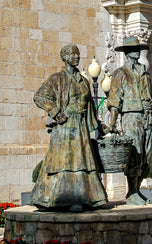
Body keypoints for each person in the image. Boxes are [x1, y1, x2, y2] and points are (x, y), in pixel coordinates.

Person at [30, 44, 108, 211]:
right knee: (65, 162)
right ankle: (60, 199)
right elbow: (39, 96)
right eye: (72, 54)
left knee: (81, 161)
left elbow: (90, 106)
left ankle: (87, 198)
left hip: (80, 126)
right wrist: (56, 112)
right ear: (64, 57)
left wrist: (99, 126)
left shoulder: (84, 80)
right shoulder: (57, 78)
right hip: (65, 126)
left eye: (78, 54)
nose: (76, 57)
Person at [106, 36, 152, 204]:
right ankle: (132, 192)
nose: (137, 52)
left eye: (138, 48)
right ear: (127, 52)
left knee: (146, 156)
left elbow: (150, 95)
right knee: (135, 153)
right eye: (134, 49)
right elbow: (114, 100)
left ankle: (137, 190)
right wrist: (112, 123)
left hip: (147, 116)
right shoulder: (120, 73)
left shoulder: (144, 72)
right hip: (131, 116)